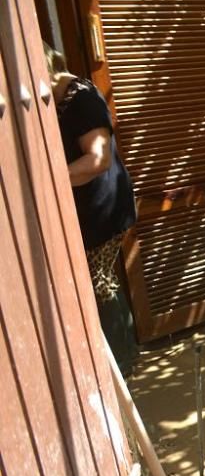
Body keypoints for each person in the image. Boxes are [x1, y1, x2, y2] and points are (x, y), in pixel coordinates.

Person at [46, 45, 139, 374]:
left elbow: (97, 160)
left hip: (103, 209)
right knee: (101, 282)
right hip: (88, 208)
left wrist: (47, 177)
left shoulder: (82, 97)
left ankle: (122, 365)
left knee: (100, 284)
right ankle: (122, 358)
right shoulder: (56, 99)